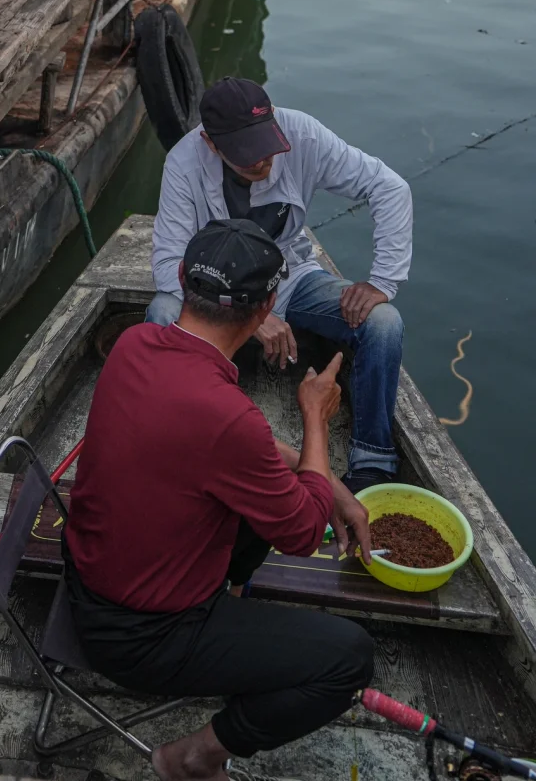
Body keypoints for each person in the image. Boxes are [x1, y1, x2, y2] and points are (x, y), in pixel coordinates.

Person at [64, 218, 375, 781]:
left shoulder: (134, 344)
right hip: (140, 637)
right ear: (268, 309)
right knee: (348, 659)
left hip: (91, 582)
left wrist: (328, 482)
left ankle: (228, 621)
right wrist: (315, 417)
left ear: (180, 280)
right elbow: (305, 532)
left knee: (265, 494)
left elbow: (248, 450)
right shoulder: (225, 416)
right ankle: (193, 763)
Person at [148, 77, 410, 491]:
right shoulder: (184, 162)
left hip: (289, 275)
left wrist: (382, 280)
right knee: (162, 315)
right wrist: (249, 316)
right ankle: (172, 443)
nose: (261, 161)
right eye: (245, 153)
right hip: (215, 288)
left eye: (266, 146)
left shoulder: (304, 133)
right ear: (211, 144)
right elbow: (168, 263)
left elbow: (390, 187)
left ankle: (372, 460)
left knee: (384, 322)